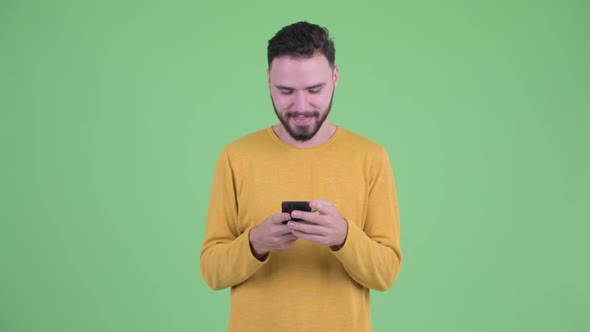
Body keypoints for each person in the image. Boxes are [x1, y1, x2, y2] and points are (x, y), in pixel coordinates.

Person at [200, 21, 402, 332]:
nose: (301, 106)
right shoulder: (236, 156)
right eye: (286, 91)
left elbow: (386, 274)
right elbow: (212, 271)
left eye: (314, 89)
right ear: (268, 81)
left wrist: (344, 236)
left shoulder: (371, 157)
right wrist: (256, 243)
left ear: (335, 77)